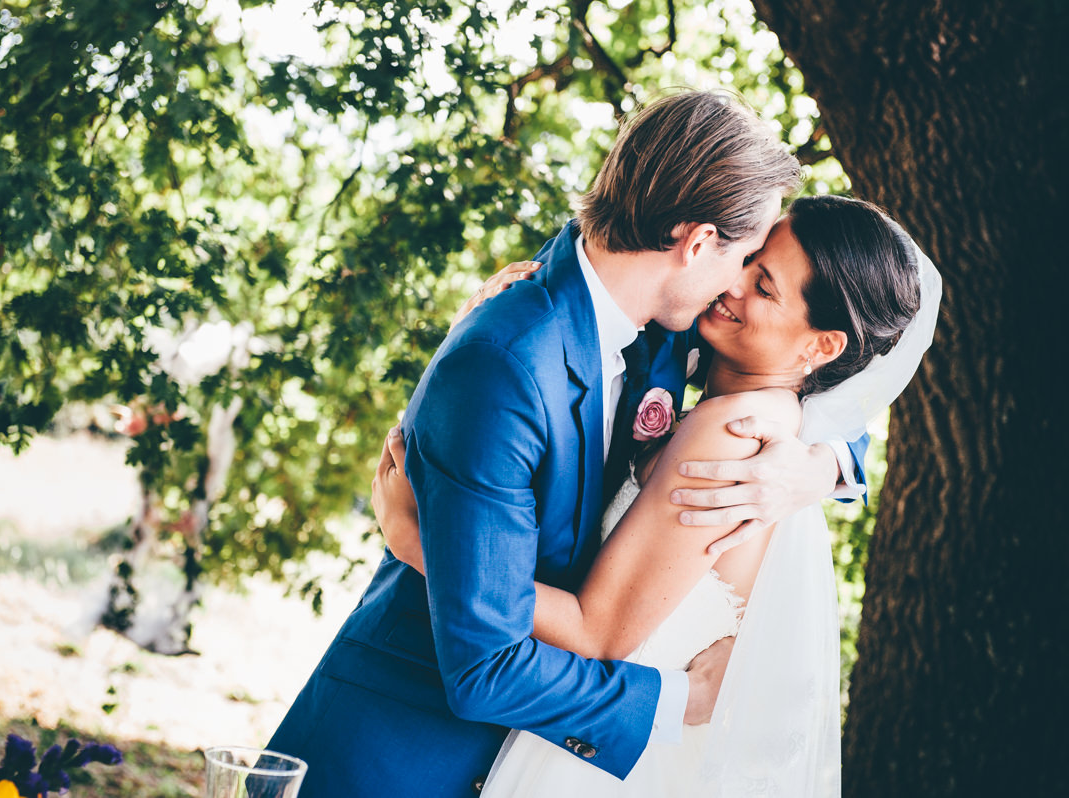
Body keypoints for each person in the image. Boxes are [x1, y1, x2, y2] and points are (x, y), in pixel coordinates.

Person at [266, 90, 861, 798]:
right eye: (746, 261)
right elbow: (487, 668)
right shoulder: (505, 365)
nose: (736, 290)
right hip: (402, 756)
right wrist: (683, 703)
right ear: (698, 242)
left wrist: (824, 466)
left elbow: (826, 378)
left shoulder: (666, 323)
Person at [376, 195, 941, 796]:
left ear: (823, 347)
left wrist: (425, 547)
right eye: (748, 258)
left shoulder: (732, 436)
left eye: (765, 287)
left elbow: (596, 633)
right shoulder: (756, 411)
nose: (731, 284)